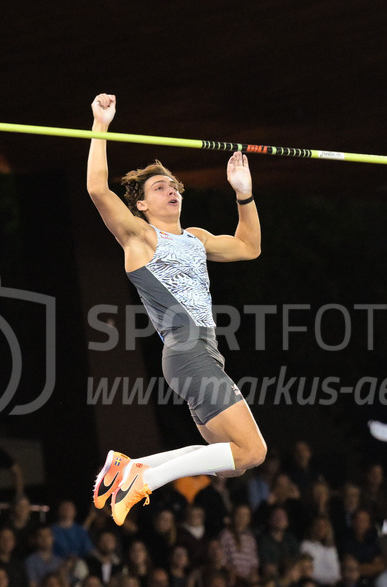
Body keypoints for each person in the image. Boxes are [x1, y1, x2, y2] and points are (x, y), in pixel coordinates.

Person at [86, 92, 266, 527]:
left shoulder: (197, 238)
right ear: (141, 205)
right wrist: (100, 124)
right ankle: (140, 477)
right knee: (254, 451)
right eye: (159, 187)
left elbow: (249, 247)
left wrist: (244, 196)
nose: (171, 190)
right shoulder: (140, 237)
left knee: (232, 463)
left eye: (174, 186)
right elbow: (96, 188)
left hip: (200, 356)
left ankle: (131, 467)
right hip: (188, 353)